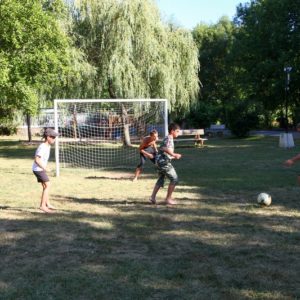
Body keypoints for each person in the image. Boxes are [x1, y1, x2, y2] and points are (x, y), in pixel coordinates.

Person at [149, 123, 182, 205]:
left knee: (161, 179)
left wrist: (173, 157)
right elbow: (163, 148)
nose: (178, 133)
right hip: (163, 162)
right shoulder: (169, 138)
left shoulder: (169, 138)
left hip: (160, 161)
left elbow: (164, 152)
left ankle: (152, 198)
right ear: (172, 131)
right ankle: (168, 199)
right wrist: (174, 154)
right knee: (174, 178)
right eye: (177, 131)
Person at [32, 128, 59, 213]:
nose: (54, 139)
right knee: (47, 185)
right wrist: (45, 168)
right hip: (38, 169)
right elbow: (36, 159)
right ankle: (42, 206)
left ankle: (47, 204)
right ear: (48, 137)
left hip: (39, 169)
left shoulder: (48, 146)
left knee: (45, 186)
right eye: (53, 137)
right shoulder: (43, 147)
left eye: (55, 137)